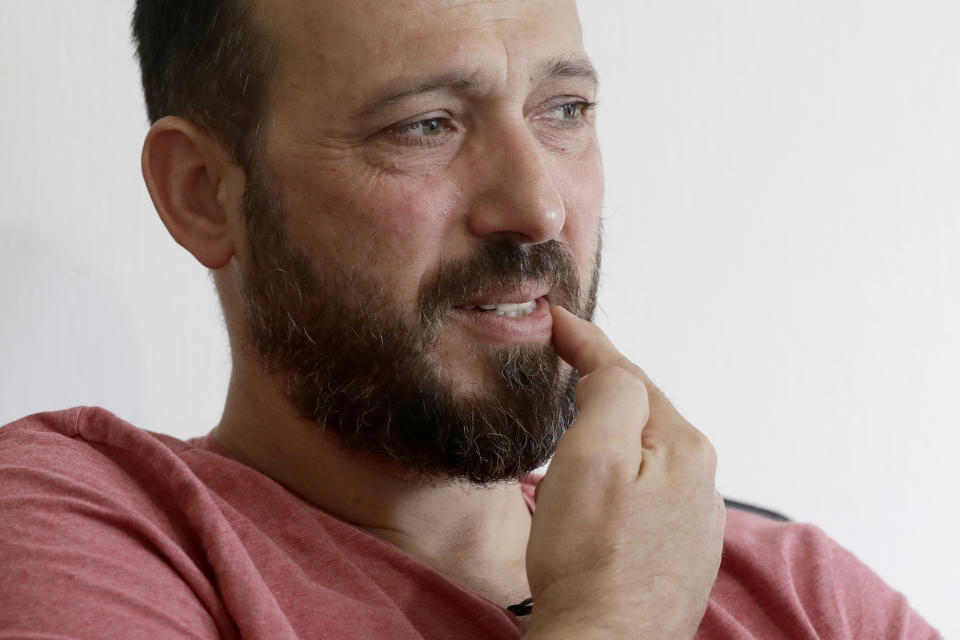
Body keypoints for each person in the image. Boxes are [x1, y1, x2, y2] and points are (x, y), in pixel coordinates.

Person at [0, 1, 941, 638]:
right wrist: (614, 621)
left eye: (563, 109)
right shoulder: (92, 530)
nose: (538, 207)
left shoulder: (800, 593)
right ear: (205, 193)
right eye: (427, 124)